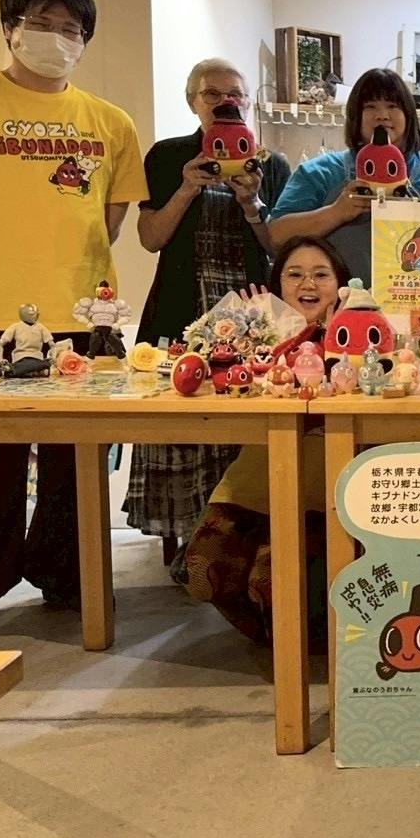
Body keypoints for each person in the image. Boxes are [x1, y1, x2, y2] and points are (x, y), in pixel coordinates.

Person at [0, 0, 147, 613]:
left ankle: (68, 579)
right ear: (9, 28)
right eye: (41, 24)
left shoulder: (111, 122)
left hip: (83, 317)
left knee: (77, 463)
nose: (57, 38)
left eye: (71, 29)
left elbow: (110, 221)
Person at [124, 59, 291, 554]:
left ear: (248, 102)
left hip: (251, 309)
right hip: (183, 302)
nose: (225, 102)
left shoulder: (269, 164)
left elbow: (279, 248)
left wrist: (251, 204)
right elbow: (150, 238)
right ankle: (185, 541)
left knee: (244, 422)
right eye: (212, 94)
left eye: (235, 93)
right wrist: (187, 187)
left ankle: (237, 536)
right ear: (193, 102)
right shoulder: (168, 155)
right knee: (181, 419)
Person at [182, 236, 349, 645]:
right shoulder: (259, 333)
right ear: (277, 286)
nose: (307, 283)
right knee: (201, 573)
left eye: (321, 274)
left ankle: (302, 645)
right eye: (294, 274)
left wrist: (340, 333)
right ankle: (278, 637)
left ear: (341, 284)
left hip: (323, 492)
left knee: (270, 579)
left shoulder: (360, 334)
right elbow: (211, 379)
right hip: (254, 484)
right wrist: (241, 330)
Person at [269, 68, 420, 281]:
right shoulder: (320, 173)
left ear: (409, 115)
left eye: (392, 106)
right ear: (355, 117)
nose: (382, 115)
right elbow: (277, 236)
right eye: (370, 106)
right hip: (339, 301)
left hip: (417, 300)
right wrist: (336, 212)